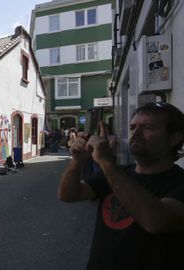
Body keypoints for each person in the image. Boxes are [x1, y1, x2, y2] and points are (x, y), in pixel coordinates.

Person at [58, 102, 184, 269]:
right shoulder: (117, 173)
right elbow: (68, 195)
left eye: (147, 127)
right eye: (133, 127)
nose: (136, 133)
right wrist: (77, 161)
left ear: (174, 138)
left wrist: (105, 161)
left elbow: (155, 221)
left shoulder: (178, 182)